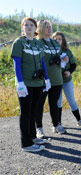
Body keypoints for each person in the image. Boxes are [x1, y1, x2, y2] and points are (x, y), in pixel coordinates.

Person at [11, 17, 50, 152]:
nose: (28, 27)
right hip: (25, 83)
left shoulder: (38, 44)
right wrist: (20, 83)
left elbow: (42, 63)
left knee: (34, 112)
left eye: (31, 25)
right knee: (26, 113)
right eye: (26, 25)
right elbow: (16, 63)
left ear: (35, 28)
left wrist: (47, 79)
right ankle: (26, 143)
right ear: (22, 28)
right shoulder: (19, 42)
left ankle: (33, 137)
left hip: (38, 83)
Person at [35, 19, 66, 138]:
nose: (49, 29)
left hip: (57, 78)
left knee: (54, 103)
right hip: (44, 79)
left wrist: (63, 60)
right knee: (40, 104)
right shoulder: (38, 42)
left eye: (50, 26)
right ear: (41, 29)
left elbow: (60, 58)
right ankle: (39, 129)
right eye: (46, 27)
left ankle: (56, 125)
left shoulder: (54, 42)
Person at [53, 31, 81, 128]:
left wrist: (69, 72)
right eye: (55, 39)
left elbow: (74, 64)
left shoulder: (67, 52)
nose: (57, 41)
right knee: (58, 102)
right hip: (56, 81)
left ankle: (79, 120)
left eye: (59, 39)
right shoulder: (50, 51)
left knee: (71, 100)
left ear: (63, 40)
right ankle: (58, 123)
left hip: (66, 80)